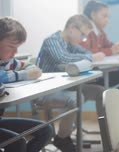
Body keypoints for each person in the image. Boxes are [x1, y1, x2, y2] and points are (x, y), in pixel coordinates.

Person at [36, 14, 106, 152]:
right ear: (72, 28)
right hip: (47, 90)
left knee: (101, 92)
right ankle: (62, 138)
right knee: (77, 98)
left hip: (67, 87)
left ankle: (107, 134)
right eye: (82, 35)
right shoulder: (51, 41)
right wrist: (89, 57)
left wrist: (88, 56)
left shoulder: (70, 44)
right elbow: (63, 58)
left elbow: (86, 52)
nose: (82, 40)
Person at [0, 17, 53, 152]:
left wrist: (30, 69)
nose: (15, 52)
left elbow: (26, 64)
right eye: (11, 47)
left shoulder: (8, 60)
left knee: (45, 130)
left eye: (17, 48)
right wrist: (25, 75)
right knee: (17, 143)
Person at [80, 0, 119, 121]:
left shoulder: (100, 32)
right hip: (88, 77)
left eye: (107, 17)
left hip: (97, 73)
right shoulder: (86, 31)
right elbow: (87, 53)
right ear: (93, 15)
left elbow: (109, 45)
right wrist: (111, 50)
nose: (107, 20)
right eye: (104, 16)